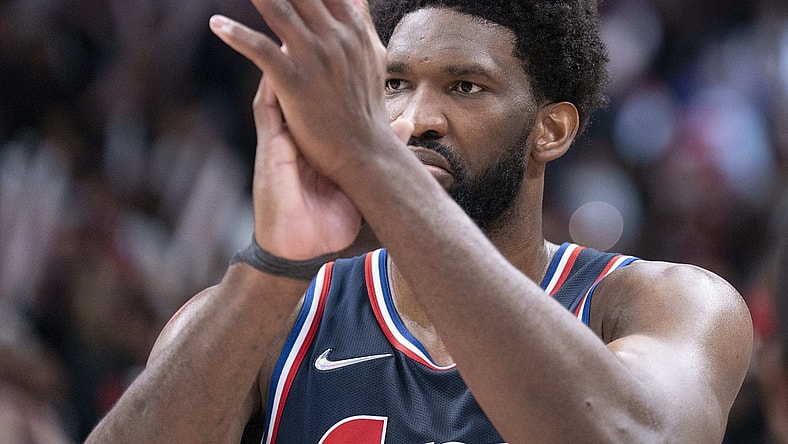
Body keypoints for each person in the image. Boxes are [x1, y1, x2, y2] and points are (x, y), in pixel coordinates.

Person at [86, 0, 753, 442]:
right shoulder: (275, 317)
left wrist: (379, 168)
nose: (415, 119)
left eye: (465, 87)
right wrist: (275, 263)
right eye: (395, 85)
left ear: (551, 128)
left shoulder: (665, 303)